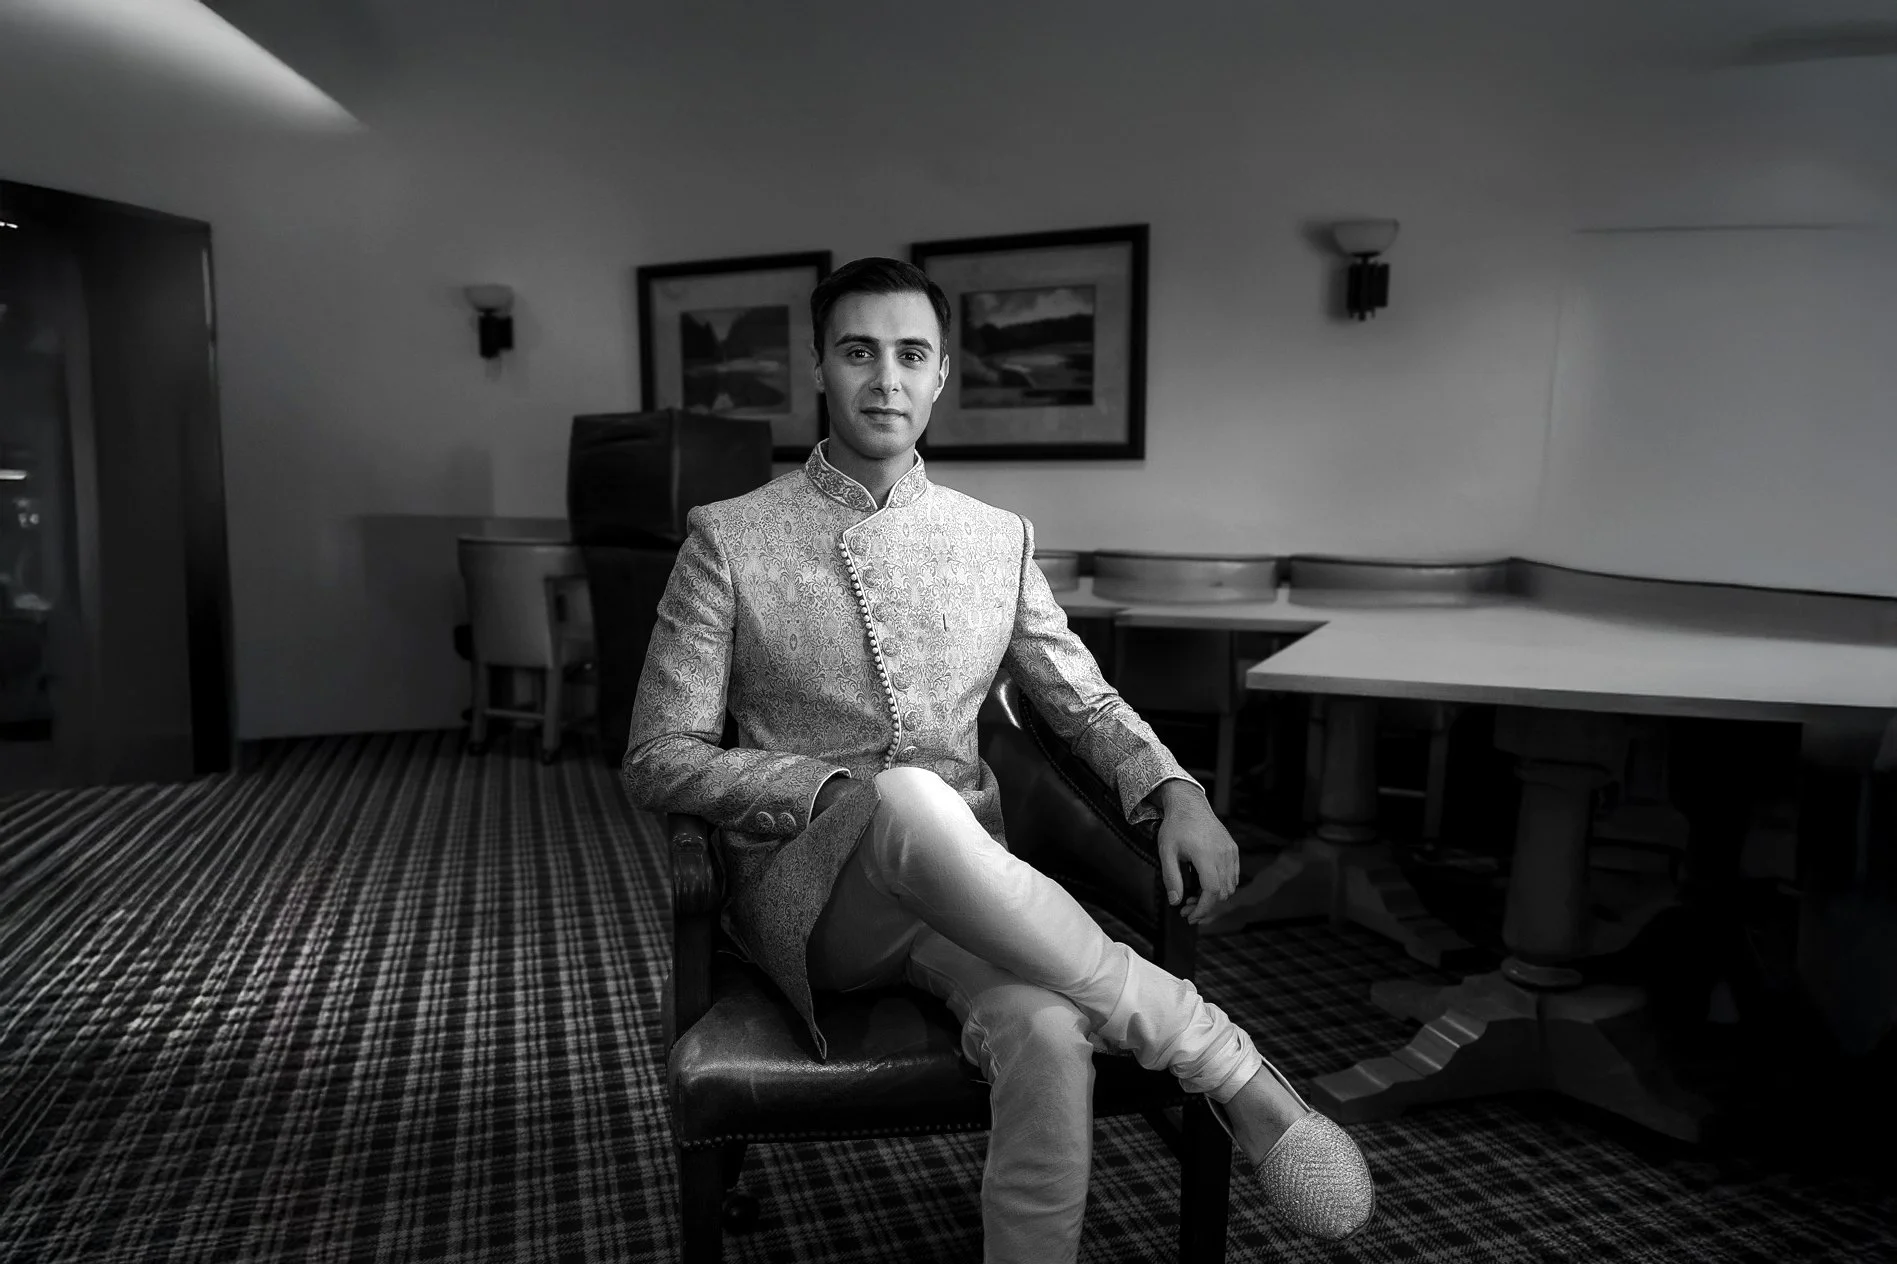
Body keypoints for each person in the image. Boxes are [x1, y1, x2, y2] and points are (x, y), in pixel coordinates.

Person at [623, 257, 1374, 1261]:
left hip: (967, 889)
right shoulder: (729, 536)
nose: (884, 380)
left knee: (1049, 1034)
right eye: (857, 352)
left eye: (910, 355)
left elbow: (1081, 699)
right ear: (818, 367)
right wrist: (825, 789)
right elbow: (656, 754)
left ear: (942, 377)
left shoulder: (997, 539)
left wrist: (1175, 785)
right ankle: (1218, 1055)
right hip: (809, 893)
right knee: (902, 798)